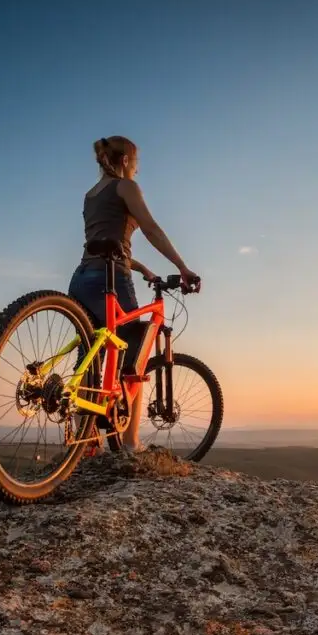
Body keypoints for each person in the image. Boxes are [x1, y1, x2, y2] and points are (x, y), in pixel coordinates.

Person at [68, 135, 199, 454]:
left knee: (90, 355)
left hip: (83, 276)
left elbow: (105, 242)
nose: (138, 170)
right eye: (137, 163)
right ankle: (130, 443)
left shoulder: (90, 195)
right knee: (135, 353)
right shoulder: (126, 187)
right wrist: (182, 267)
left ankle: (87, 444)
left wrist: (141, 268)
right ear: (126, 160)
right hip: (111, 278)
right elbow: (151, 229)